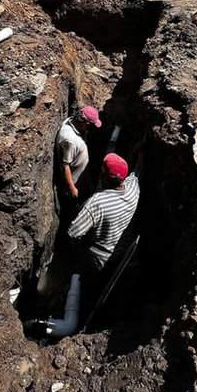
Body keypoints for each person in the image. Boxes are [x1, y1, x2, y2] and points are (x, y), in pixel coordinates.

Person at [67, 153, 140, 309]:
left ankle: (86, 302)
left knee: (91, 283)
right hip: (122, 253)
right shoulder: (134, 189)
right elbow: (136, 172)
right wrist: (138, 154)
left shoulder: (96, 204)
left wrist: (76, 255)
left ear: (104, 177)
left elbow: (73, 233)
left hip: (96, 259)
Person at [54, 106, 102, 215]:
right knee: (73, 212)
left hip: (81, 182)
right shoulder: (69, 140)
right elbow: (64, 166)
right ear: (85, 123)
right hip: (74, 187)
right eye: (91, 126)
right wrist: (71, 188)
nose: (91, 129)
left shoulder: (72, 122)